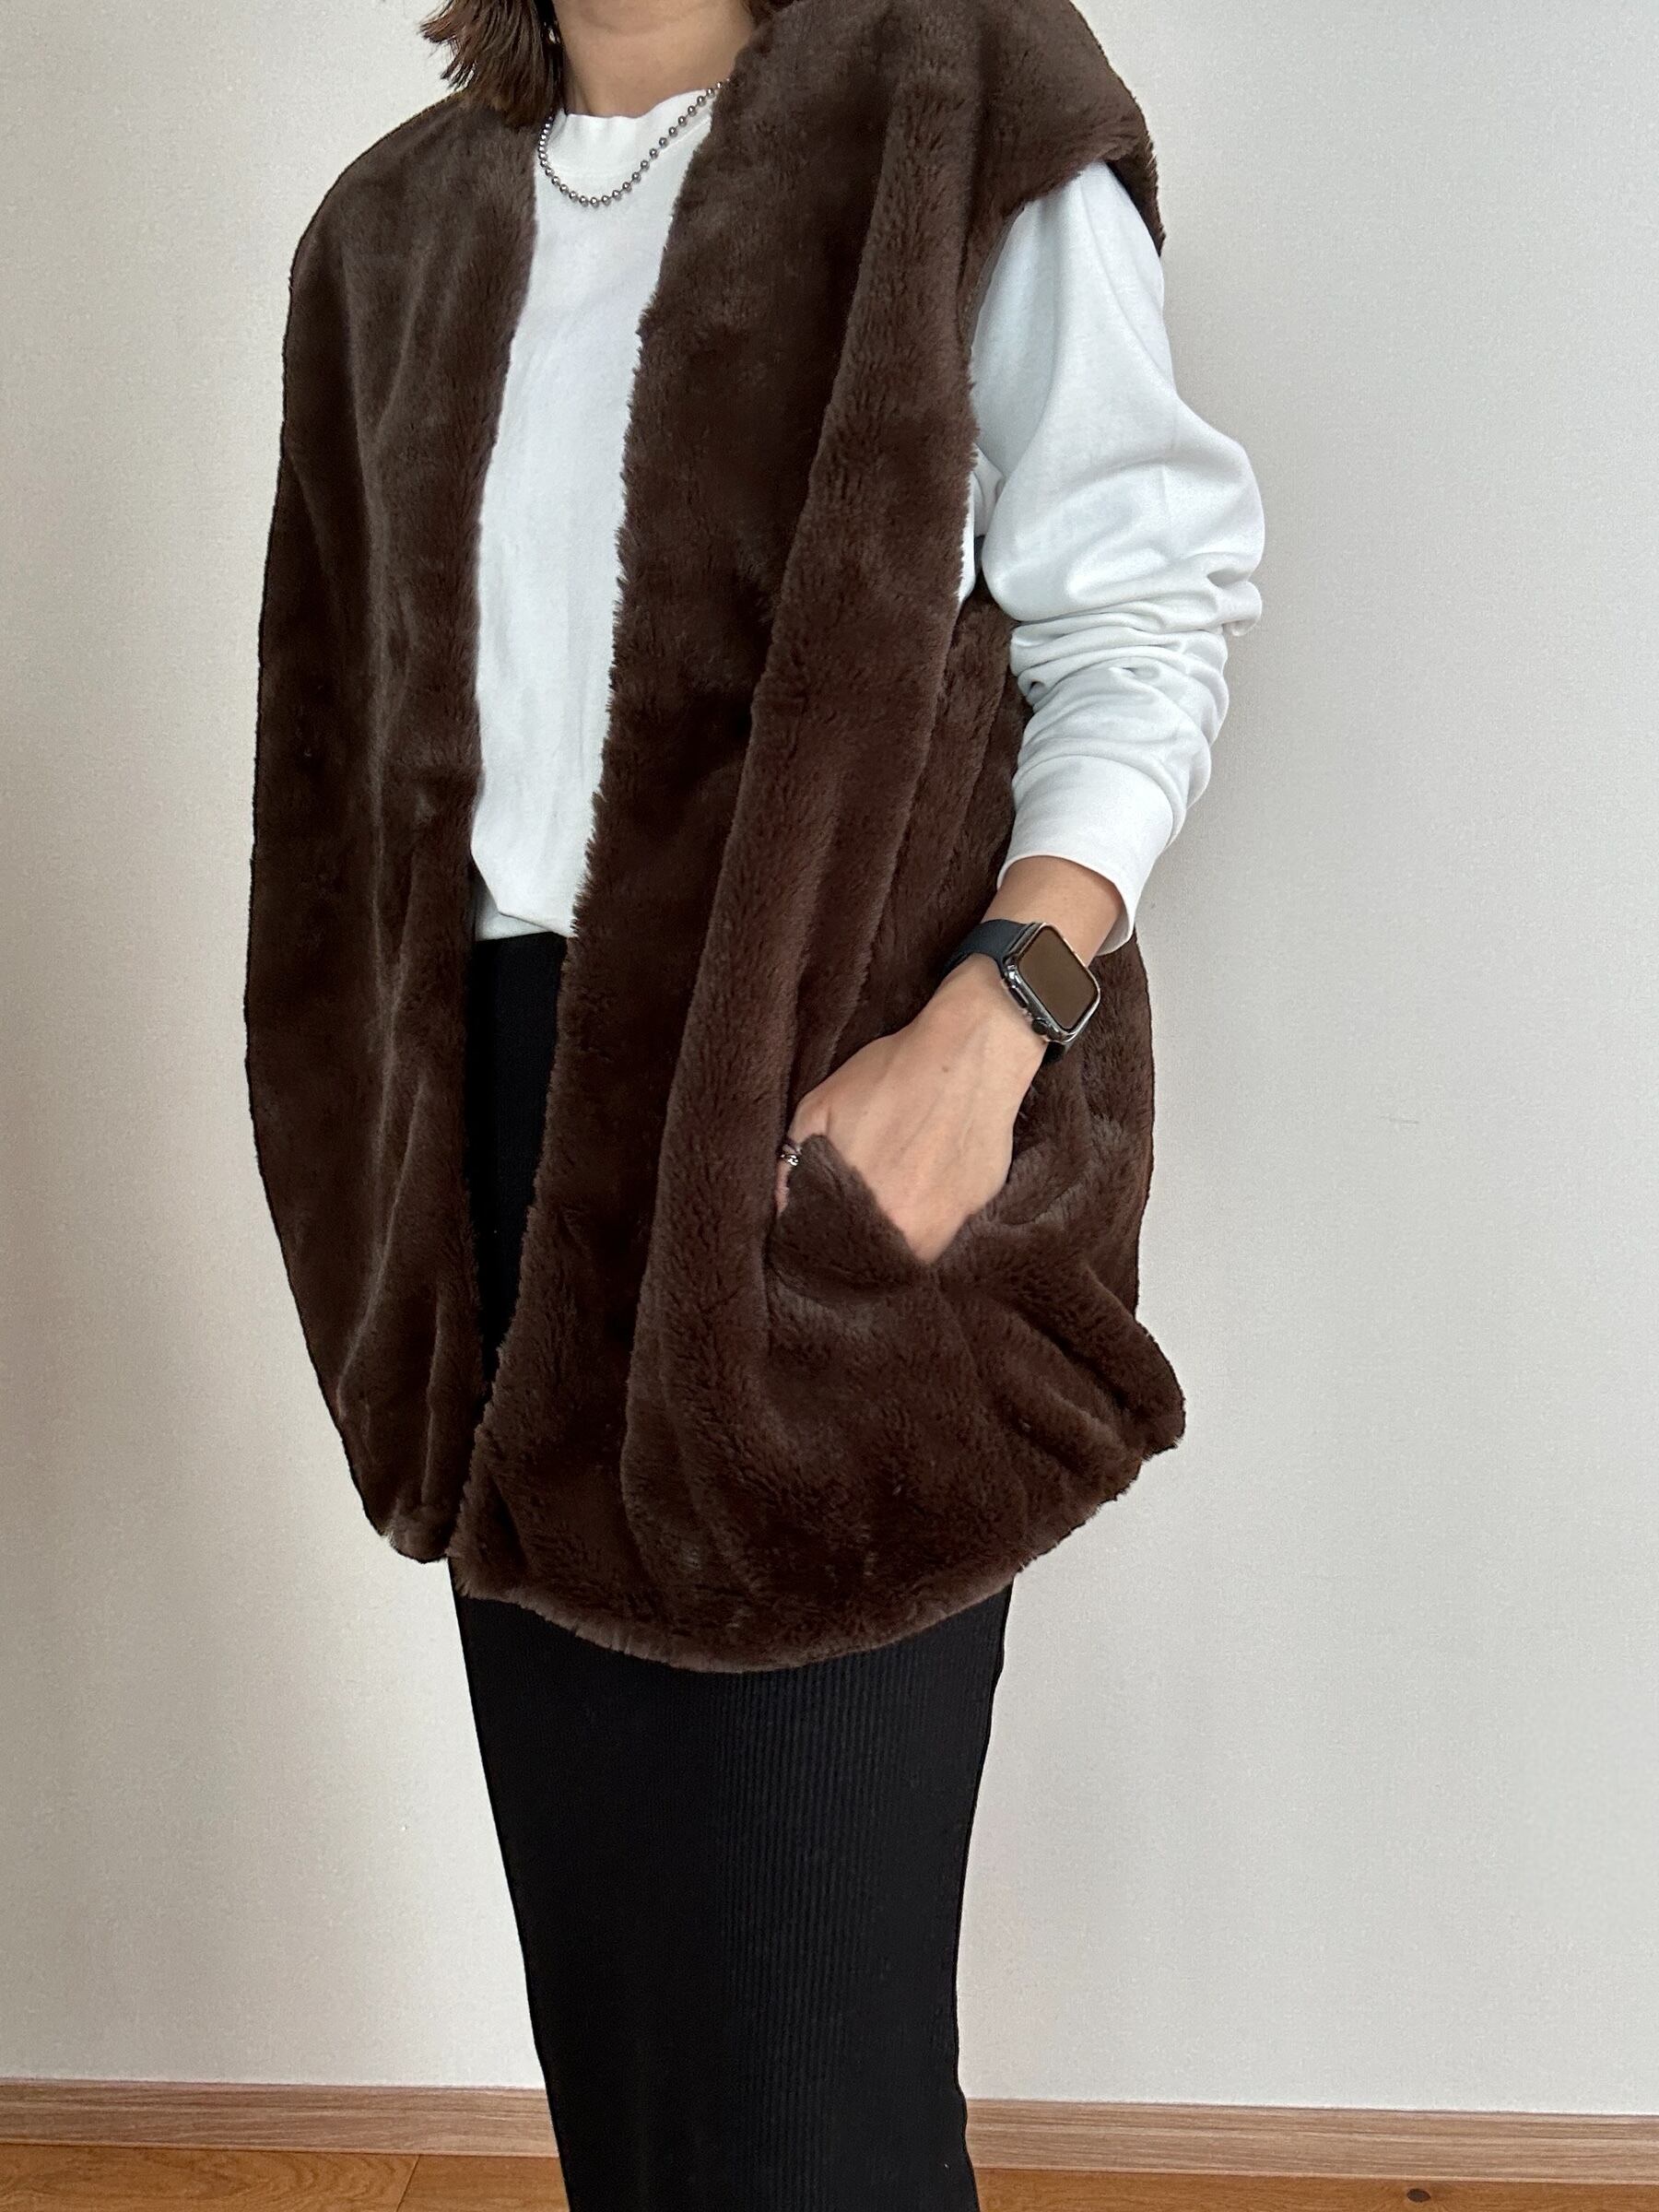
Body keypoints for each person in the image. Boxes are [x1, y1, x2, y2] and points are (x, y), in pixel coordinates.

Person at [247, 0, 1265, 2204]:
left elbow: (1145, 614)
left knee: (810, 2098)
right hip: (498, 1199)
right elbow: (335, 769)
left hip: (823, 1136)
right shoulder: (387, 236)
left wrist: (988, 1035)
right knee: (635, 2063)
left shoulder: (955, 103)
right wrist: (381, 1185)